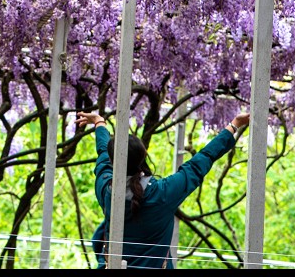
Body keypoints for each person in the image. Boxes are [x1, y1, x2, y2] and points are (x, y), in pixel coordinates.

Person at [76, 109, 250, 269]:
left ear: (114, 163)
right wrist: (234, 125)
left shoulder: (107, 190)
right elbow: (201, 161)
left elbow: (104, 155)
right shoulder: (163, 193)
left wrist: (99, 123)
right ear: (144, 156)